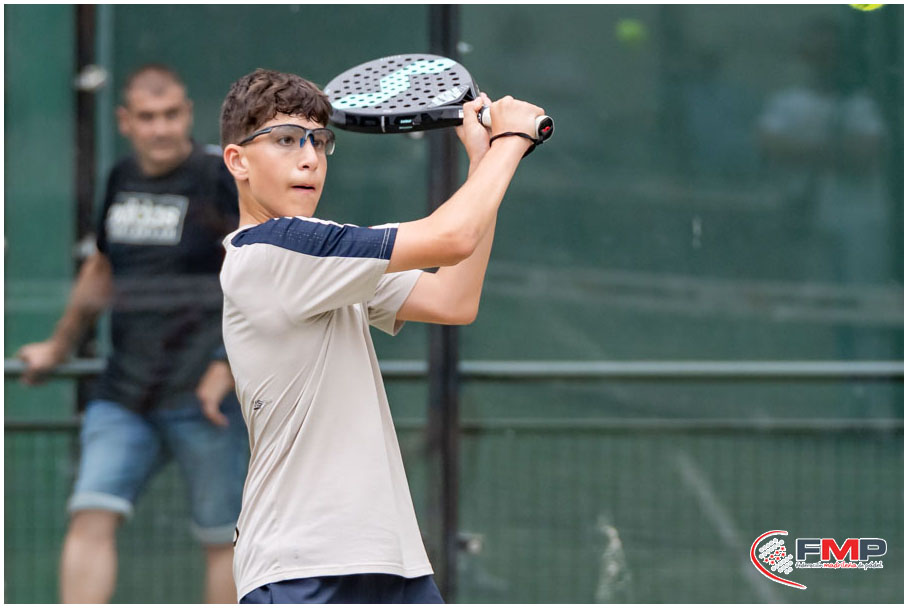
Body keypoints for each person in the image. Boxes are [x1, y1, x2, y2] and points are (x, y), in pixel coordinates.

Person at [218, 68, 543, 604]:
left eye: (319, 141)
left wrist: (484, 161)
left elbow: (453, 299)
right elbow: (452, 237)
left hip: (392, 562)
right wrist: (511, 141)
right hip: (301, 568)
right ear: (238, 161)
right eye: (286, 140)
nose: (309, 158)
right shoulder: (272, 250)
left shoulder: (317, 260)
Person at [16, 64, 247, 604]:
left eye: (170, 115)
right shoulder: (121, 177)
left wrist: (226, 363)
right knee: (90, 513)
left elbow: (261, 271)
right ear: (125, 121)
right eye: (147, 117)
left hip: (202, 397)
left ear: (188, 114)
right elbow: (101, 269)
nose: (160, 128)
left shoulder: (218, 177)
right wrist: (58, 346)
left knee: (226, 538)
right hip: (123, 392)